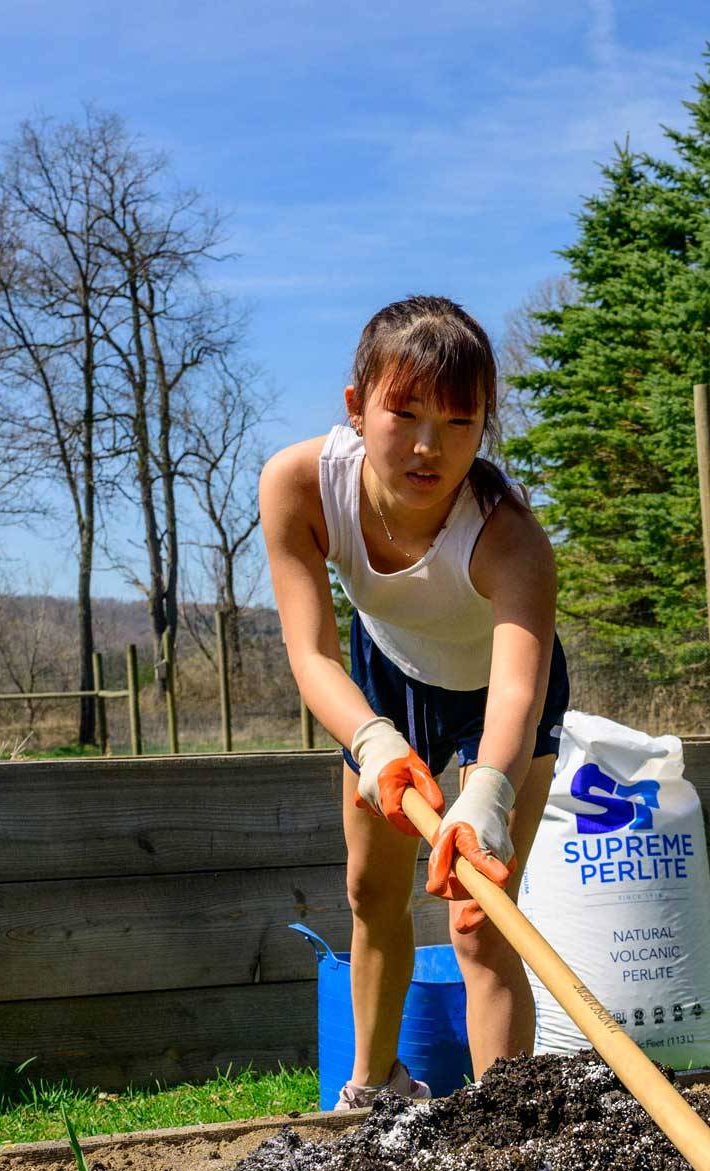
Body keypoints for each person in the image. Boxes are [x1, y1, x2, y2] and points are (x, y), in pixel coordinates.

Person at [261, 296, 567, 1107]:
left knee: (480, 916)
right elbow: (311, 653)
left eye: (460, 422)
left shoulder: (510, 541)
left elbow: (516, 686)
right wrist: (374, 741)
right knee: (371, 891)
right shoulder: (299, 485)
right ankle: (376, 1086)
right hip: (384, 681)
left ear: (483, 429)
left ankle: (507, 1125)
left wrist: (488, 795)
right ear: (357, 406)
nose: (431, 445)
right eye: (406, 413)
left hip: (502, 705)